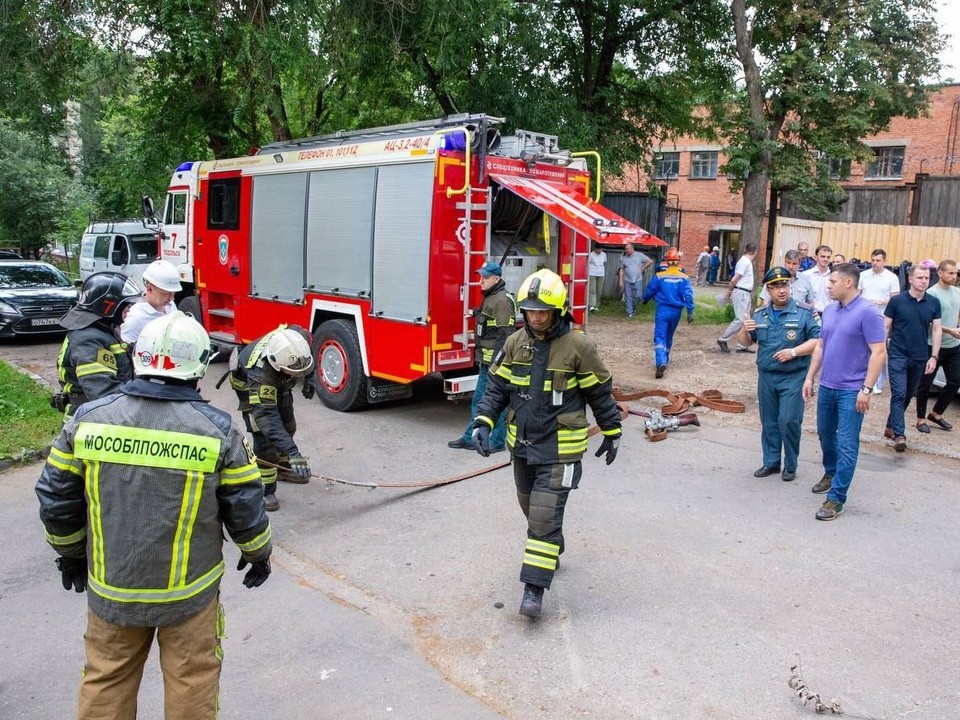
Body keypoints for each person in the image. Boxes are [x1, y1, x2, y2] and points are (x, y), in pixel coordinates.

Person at [36, 311, 272, 719]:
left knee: (106, 679)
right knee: (191, 681)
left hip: (112, 590)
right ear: (199, 365)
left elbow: (57, 501)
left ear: (137, 356)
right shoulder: (217, 432)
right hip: (189, 596)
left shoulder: (87, 422)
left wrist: (72, 554)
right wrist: (258, 555)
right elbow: (246, 507)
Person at [470, 268, 622, 620]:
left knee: (540, 515)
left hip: (560, 448)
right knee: (531, 506)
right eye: (531, 311)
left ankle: (533, 590)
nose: (536, 318)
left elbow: (599, 392)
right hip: (521, 445)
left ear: (559, 310)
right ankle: (552, 540)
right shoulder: (515, 342)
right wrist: (483, 421)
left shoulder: (578, 346)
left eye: (543, 312)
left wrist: (612, 430)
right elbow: (497, 388)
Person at [802, 263, 886, 521]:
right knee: (826, 435)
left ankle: (836, 498)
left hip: (852, 390)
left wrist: (866, 389)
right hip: (827, 386)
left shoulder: (868, 312)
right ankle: (831, 471)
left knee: (847, 443)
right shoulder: (829, 310)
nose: (828, 286)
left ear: (848, 282)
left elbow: (879, 352)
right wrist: (809, 377)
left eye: (832, 282)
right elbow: (820, 346)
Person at [738, 267, 820, 481]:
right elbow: (745, 342)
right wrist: (745, 329)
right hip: (766, 376)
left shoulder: (804, 312)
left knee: (789, 420)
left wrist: (794, 352)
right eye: (775, 287)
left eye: (784, 285)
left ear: (790, 286)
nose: (781, 290)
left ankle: (790, 465)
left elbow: (818, 341)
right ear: (769, 290)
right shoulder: (760, 314)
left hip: (793, 376)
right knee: (770, 421)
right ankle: (771, 462)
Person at [231, 325, 315, 511]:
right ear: (278, 365)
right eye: (295, 372)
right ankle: (265, 489)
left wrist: (310, 378)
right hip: (248, 386)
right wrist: (294, 452)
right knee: (265, 439)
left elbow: (307, 354)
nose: (298, 374)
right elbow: (267, 418)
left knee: (288, 424)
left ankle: (284, 467)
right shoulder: (261, 374)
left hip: (280, 382)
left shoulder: (298, 339)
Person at [449, 260, 516, 453]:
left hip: (494, 364)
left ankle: (495, 441)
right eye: (481, 277)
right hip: (486, 362)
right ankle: (473, 437)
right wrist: (475, 313)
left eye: (485, 278)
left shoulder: (502, 301)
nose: (481, 281)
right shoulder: (491, 296)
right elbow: (490, 318)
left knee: (493, 401)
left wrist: (497, 363)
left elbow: (505, 335)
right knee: (480, 400)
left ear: (497, 279)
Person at [55, 272, 142, 419]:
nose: (128, 312)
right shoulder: (88, 340)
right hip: (88, 422)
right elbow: (103, 392)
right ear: (108, 306)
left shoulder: (103, 332)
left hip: (99, 416)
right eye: (125, 306)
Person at [882, 264, 941, 452]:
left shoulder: (933, 302)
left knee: (907, 395)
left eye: (926, 278)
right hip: (898, 353)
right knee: (898, 393)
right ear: (910, 279)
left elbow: (937, 329)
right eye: (920, 278)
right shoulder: (897, 301)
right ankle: (900, 435)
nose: (924, 281)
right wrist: (880, 351)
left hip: (920, 356)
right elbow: (885, 327)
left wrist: (934, 357)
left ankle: (890, 426)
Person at [915, 260, 960, 433]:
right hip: (933, 345)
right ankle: (920, 419)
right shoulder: (932, 294)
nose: (954, 276)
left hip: (954, 346)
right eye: (950, 273)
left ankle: (936, 413)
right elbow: (929, 324)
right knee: (925, 385)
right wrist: (950, 331)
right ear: (940, 273)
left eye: (955, 273)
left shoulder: (957, 292)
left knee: (955, 381)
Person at [642, 247, 694, 378]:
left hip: (662, 310)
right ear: (678, 261)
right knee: (669, 335)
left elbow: (650, 290)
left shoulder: (660, 276)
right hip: (676, 312)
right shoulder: (684, 278)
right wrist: (690, 312)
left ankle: (661, 362)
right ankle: (666, 358)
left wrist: (645, 299)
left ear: (667, 261)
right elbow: (688, 295)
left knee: (659, 336)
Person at [858, 248, 900, 393]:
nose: (875, 263)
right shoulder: (863, 275)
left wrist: (883, 301)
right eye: (873, 260)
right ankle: (862, 379)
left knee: (878, 349)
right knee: (862, 348)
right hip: (863, 315)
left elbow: (896, 300)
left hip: (882, 317)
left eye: (878, 261)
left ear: (884, 261)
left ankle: (877, 383)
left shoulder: (892, 277)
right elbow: (857, 295)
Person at [120, 259, 182, 345]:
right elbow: (127, 353)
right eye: (166, 293)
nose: (172, 298)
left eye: (173, 293)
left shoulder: (170, 306)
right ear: (149, 288)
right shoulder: (135, 319)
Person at [717, 242, 757, 353]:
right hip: (742, 291)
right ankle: (723, 339)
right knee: (740, 318)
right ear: (755, 252)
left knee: (746, 319)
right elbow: (735, 278)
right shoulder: (745, 262)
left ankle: (741, 345)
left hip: (745, 292)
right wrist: (729, 290)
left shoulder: (745, 261)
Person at [618, 242, 653, 318]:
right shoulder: (624, 258)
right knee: (628, 297)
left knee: (639, 296)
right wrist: (621, 281)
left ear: (632, 248)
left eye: (628, 249)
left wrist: (643, 268)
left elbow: (650, 261)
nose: (626, 250)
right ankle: (629, 313)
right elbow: (621, 269)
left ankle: (633, 307)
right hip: (627, 280)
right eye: (625, 249)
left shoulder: (639, 255)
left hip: (638, 279)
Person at [799, 245, 833, 314]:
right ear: (816, 257)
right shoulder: (806, 275)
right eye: (822, 256)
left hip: (828, 314)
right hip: (810, 314)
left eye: (828, 257)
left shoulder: (833, 276)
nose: (825, 259)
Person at [587, 244, 607, 311]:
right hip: (592, 273)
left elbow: (604, 263)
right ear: (595, 248)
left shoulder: (604, 254)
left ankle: (597, 305)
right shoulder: (591, 254)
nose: (599, 250)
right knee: (592, 290)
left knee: (599, 290)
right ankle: (592, 305)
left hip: (601, 274)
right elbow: (588, 264)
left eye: (600, 249)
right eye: (597, 249)